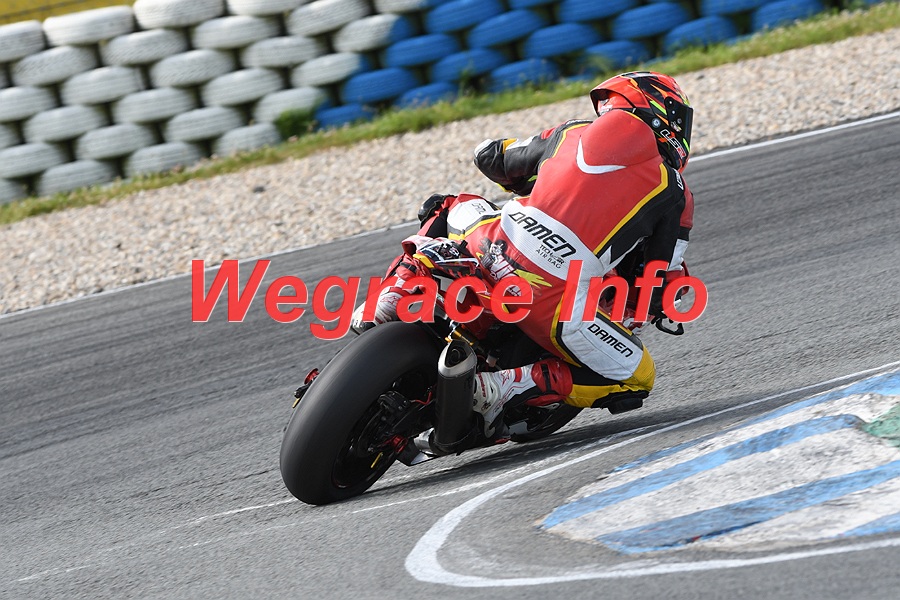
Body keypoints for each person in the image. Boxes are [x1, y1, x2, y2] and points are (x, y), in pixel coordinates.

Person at [353, 71, 695, 438]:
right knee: (637, 375)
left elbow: (490, 156)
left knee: (452, 204)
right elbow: (655, 280)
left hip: (489, 244)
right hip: (552, 297)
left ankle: (397, 289)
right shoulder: (676, 192)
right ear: (660, 112)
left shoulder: (570, 132)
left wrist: (538, 176)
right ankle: (499, 388)